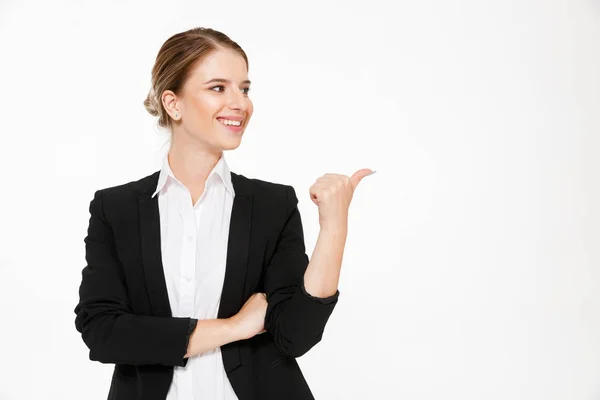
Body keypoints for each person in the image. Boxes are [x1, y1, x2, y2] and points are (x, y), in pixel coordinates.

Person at [73, 27, 374, 400]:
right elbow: (102, 333)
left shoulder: (272, 205)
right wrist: (234, 327)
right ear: (173, 103)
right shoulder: (115, 208)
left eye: (244, 89)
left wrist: (334, 229)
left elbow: (295, 335)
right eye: (219, 88)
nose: (240, 103)